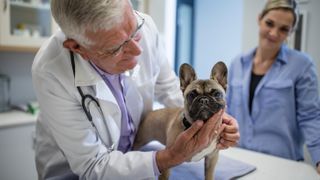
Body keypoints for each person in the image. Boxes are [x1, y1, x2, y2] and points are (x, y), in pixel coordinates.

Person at [32, 0, 240, 179]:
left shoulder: (146, 25)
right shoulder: (51, 71)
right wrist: (169, 157)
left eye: (134, 30)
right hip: (74, 173)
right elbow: (92, 166)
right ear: (78, 48)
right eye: (117, 48)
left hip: (137, 154)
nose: (137, 49)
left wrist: (209, 120)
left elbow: (169, 88)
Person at [226, 0, 320, 175]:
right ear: (259, 19)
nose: (274, 33)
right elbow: (227, 110)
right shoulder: (237, 64)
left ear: (291, 32)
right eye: (269, 23)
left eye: (284, 29)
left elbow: (311, 117)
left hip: (283, 165)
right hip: (239, 159)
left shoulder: (302, 65)